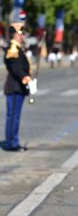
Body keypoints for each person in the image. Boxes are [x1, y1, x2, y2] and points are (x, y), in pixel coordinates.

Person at [3, 11, 37, 151]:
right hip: (15, 87)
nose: (23, 35)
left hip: (18, 87)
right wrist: (25, 77)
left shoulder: (18, 49)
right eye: (21, 33)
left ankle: (11, 141)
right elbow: (14, 67)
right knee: (13, 117)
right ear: (16, 34)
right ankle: (12, 143)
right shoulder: (13, 48)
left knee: (14, 116)